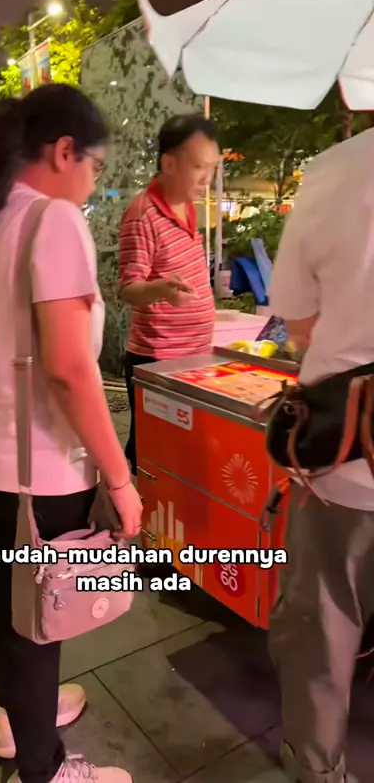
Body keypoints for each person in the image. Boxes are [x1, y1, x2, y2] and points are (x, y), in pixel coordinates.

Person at [0, 83, 142, 783]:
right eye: (94, 167)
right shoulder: (52, 222)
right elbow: (70, 370)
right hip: (35, 473)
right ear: (64, 151)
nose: (92, 184)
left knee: (3, 591)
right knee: (41, 611)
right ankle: (45, 768)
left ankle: (19, 718)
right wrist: (121, 480)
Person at [268, 127, 374, 783]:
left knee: (324, 622)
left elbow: (297, 323)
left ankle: (318, 767)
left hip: (345, 461)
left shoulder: (337, 169)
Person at [119, 114, 219, 474]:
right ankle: (137, 506)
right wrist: (160, 290)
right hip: (159, 361)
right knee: (156, 462)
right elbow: (129, 289)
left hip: (194, 357)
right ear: (169, 163)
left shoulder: (188, 206)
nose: (207, 179)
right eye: (199, 167)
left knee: (185, 462)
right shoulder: (142, 215)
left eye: (212, 168)